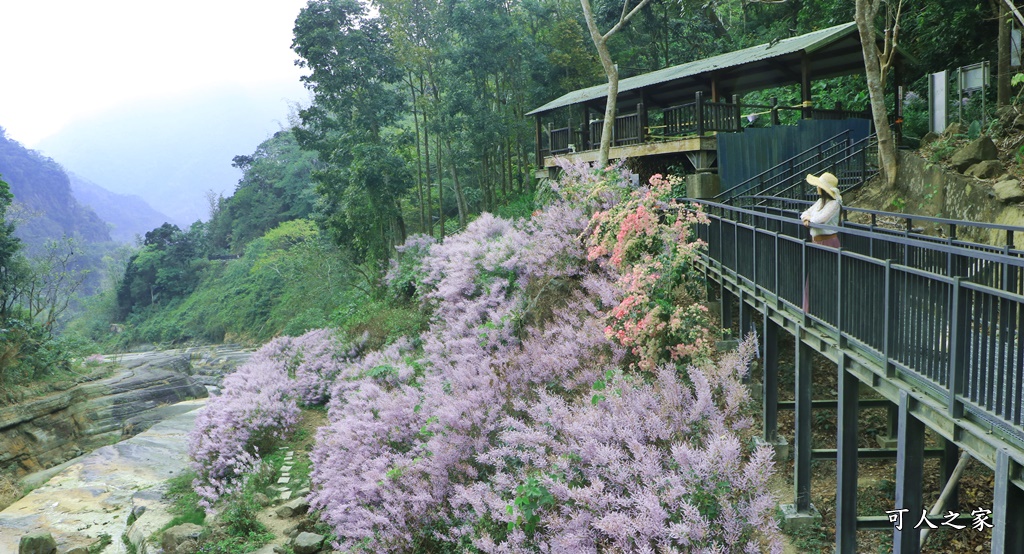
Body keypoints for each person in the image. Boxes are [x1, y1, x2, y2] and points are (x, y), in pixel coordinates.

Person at [801, 172, 842, 312]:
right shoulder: (820, 202)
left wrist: (809, 219)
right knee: (814, 278)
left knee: (827, 278)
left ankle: (827, 311)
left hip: (829, 243)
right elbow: (805, 212)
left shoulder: (834, 204)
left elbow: (820, 220)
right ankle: (812, 310)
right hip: (816, 242)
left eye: (819, 186)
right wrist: (807, 218)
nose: (817, 188)